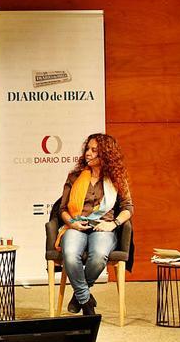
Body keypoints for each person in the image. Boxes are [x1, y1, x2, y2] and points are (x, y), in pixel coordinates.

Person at [55, 133, 133, 316]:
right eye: (87, 149)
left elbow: (128, 208)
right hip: (77, 224)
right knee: (70, 253)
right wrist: (71, 224)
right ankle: (86, 301)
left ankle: (78, 295)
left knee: (98, 256)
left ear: (106, 155)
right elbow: (62, 209)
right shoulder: (74, 176)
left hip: (103, 226)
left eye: (94, 150)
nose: (88, 154)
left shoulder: (117, 178)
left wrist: (113, 224)